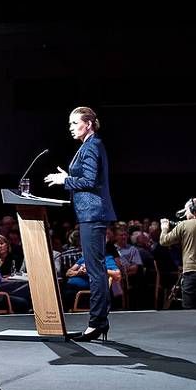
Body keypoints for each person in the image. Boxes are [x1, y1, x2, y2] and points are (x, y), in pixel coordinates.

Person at [45, 106, 117, 341]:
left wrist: (65, 179)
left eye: (74, 123)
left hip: (93, 214)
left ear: (88, 124)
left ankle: (97, 323)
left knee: (95, 271)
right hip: (91, 214)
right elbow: (87, 178)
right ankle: (98, 323)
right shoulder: (89, 146)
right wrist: (67, 176)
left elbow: (89, 180)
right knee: (96, 269)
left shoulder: (92, 145)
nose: (71, 127)